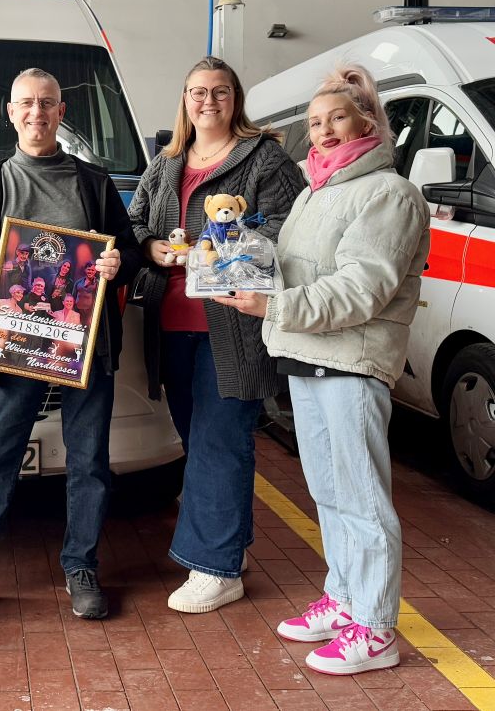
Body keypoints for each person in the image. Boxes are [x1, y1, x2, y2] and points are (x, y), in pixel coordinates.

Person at [214, 65, 429, 675]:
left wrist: (273, 305)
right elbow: (294, 265)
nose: (325, 130)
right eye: (314, 122)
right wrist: (231, 255)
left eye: (337, 118)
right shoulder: (316, 190)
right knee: (329, 493)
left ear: (367, 123)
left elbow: (363, 288)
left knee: (363, 500)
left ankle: (377, 630)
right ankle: (345, 599)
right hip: (308, 354)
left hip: (352, 361)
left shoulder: (389, 193)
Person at [0, 67, 143, 627]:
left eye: (47, 103)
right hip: (16, 344)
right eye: (26, 103)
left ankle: (81, 567)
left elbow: (130, 252)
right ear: (11, 113)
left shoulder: (94, 184)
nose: (36, 113)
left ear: (61, 112)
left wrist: (118, 264)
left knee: (89, 460)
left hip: (85, 344)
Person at [128, 56, 304, 615]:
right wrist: (153, 247)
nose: (209, 101)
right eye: (199, 91)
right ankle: (230, 547)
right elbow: (134, 223)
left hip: (233, 325)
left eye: (221, 91)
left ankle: (215, 570)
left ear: (236, 99)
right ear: (185, 99)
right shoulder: (167, 162)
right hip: (172, 326)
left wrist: (225, 243)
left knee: (219, 442)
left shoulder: (264, 158)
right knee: (197, 437)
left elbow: (293, 224)